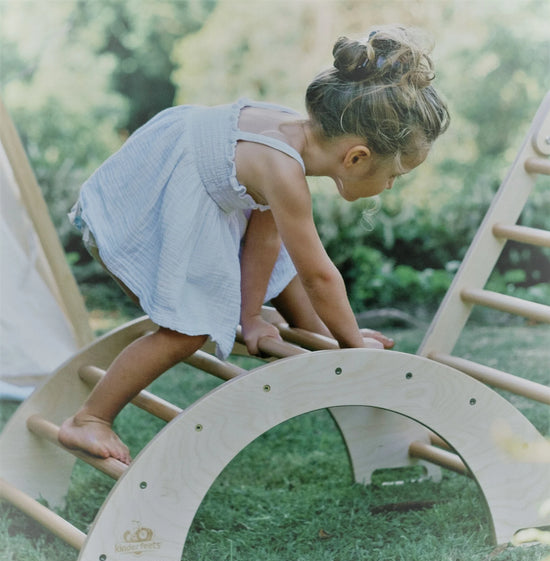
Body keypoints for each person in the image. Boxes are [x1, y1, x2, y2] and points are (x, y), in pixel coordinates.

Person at [59, 25, 450, 464]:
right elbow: (319, 275)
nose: (392, 186)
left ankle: (328, 341)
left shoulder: (286, 134)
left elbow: (266, 240)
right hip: (158, 198)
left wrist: (249, 317)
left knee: (280, 266)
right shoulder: (285, 172)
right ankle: (90, 419)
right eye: (394, 175)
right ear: (356, 157)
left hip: (179, 172)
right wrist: (358, 347)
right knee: (189, 330)